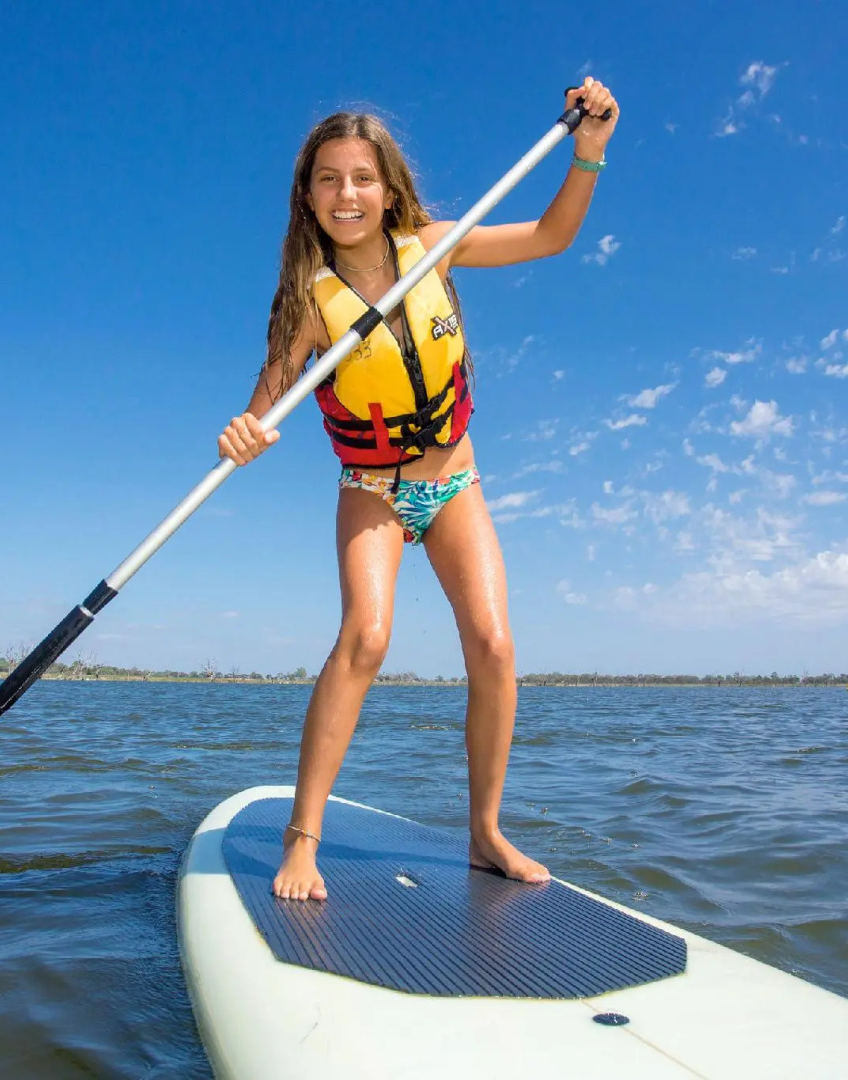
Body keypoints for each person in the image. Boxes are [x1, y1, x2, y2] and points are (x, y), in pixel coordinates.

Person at [219, 79, 620, 901]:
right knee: (366, 639)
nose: (347, 194)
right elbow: (266, 400)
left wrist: (588, 151)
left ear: (388, 186)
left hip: (454, 480)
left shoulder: (435, 246)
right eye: (328, 179)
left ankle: (485, 832)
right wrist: (244, 432)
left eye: (362, 177)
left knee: (495, 646)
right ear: (308, 197)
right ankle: (302, 837)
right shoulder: (309, 302)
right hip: (372, 487)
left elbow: (551, 236)